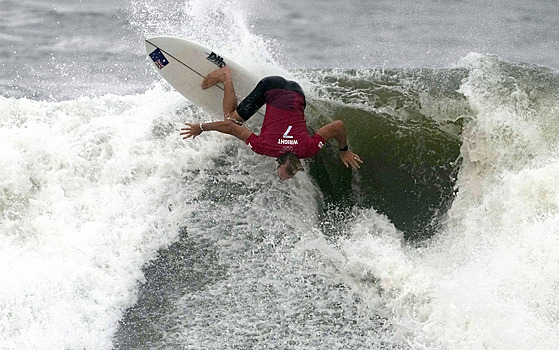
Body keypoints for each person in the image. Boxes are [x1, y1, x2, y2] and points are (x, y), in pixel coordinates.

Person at [180, 67, 363, 180]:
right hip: (270, 86)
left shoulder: (309, 148)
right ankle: (225, 75)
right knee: (231, 118)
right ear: (280, 162)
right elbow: (231, 128)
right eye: (284, 176)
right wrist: (201, 127)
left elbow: (338, 125)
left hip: (297, 91)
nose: (282, 179)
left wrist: (344, 150)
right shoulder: (263, 147)